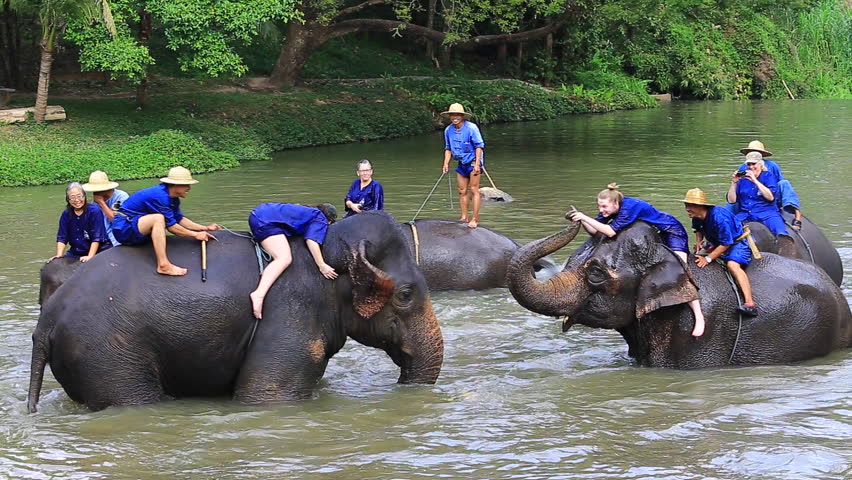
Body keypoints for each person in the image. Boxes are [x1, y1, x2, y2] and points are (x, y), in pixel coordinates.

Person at [568, 183, 706, 336]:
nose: (602, 210)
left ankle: (699, 317)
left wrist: (584, 217)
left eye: (604, 207)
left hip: (671, 232)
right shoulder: (611, 209)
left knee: (680, 271)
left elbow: (610, 231)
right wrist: (581, 220)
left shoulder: (629, 207)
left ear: (616, 203)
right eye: (599, 207)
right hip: (650, 237)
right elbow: (595, 231)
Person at [112, 166, 218, 276]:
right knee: (158, 218)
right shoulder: (160, 196)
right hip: (124, 228)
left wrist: (205, 228)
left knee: (159, 218)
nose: (189, 188)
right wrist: (195, 235)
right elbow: (173, 228)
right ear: (175, 185)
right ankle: (163, 265)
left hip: (136, 225)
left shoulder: (173, 199)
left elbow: (179, 219)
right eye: (186, 185)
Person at [248, 203, 339, 319]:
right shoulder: (319, 217)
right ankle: (259, 294)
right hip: (265, 222)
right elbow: (311, 240)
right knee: (284, 258)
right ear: (329, 222)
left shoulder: (307, 211)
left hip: (258, 213)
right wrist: (321, 265)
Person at [683, 188, 757, 316]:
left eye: (691, 205)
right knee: (695, 256)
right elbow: (698, 229)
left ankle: (749, 303)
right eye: (686, 205)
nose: (687, 208)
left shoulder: (719, 217)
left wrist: (708, 259)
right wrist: (699, 242)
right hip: (716, 241)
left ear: (700, 206)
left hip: (736, 242)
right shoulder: (696, 216)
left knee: (732, 265)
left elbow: (727, 243)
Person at [738, 140, 803, 229]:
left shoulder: (772, 165)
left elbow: (779, 181)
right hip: (751, 197)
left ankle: (797, 215)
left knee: (784, 183)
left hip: (770, 194)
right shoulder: (743, 167)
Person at [441, 103, 485, 228]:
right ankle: (464, 217)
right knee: (461, 190)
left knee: (474, 189)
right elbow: (448, 148)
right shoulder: (448, 130)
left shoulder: (471, 128)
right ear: (449, 116)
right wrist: (446, 163)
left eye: (457, 115)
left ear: (462, 116)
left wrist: (477, 164)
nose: (455, 117)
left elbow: (479, 146)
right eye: (452, 115)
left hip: (473, 161)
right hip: (461, 162)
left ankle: (475, 219)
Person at [727, 152, 787, 237]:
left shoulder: (768, 176)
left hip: (767, 213)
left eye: (754, 164)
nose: (751, 167)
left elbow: (770, 197)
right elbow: (731, 200)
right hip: (746, 213)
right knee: (725, 229)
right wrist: (734, 183)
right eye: (749, 164)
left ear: (760, 164)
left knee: (780, 233)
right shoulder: (742, 180)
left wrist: (754, 180)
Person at [50, 182, 110, 263]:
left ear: (84, 196)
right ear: (68, 200)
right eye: (72, 197)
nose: (77, 200)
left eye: (79, 196)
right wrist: (59, 255)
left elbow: (97, 238)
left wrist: (90, 256)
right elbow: (62, 237)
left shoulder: (94, 211)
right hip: (76, 252)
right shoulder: (66, 214)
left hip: (99, 251)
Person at [82, 170, 129, 246]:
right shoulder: (94, 204)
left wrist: (102, 203)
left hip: (118, 240)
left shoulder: (121, 197)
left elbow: (117, 220)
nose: (95, 193)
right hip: (103, 241)